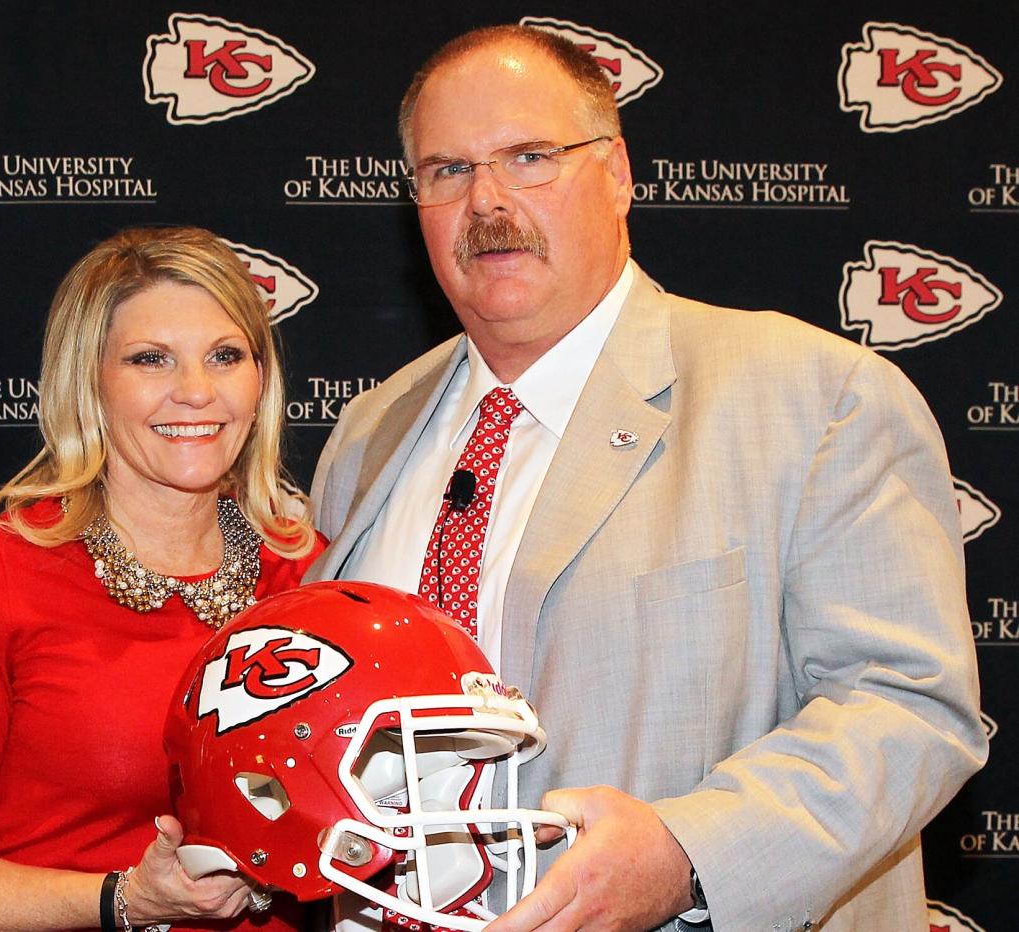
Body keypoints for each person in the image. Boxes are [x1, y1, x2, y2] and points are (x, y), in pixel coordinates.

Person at [307, 25, 987, 932]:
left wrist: (689, 854)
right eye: (448, 171)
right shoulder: (369, 432)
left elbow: (906, 706)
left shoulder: (814, 396)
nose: (488, 201)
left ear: (620, 172)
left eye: (530, 156)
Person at [0, 226, 324, 932]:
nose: (197, 392)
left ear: (261, 379)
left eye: (226, 356)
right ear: (89, 381)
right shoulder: (0, 570)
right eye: (152, 360)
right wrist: (123, 900)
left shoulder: (313, 575)